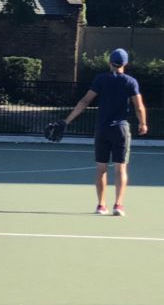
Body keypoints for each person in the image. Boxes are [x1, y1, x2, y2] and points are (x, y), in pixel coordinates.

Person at [58, 48, 148, 216]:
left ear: (110, 63)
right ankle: (119, 205)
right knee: (121, 168)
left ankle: (101, 205)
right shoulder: (130, 81)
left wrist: (66, 121)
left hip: (102, 129)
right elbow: (139, 106)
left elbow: (85, 101)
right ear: (125, 63)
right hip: (121, 129)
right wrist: (143, 123)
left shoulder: (101, 80)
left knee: (101, 168)